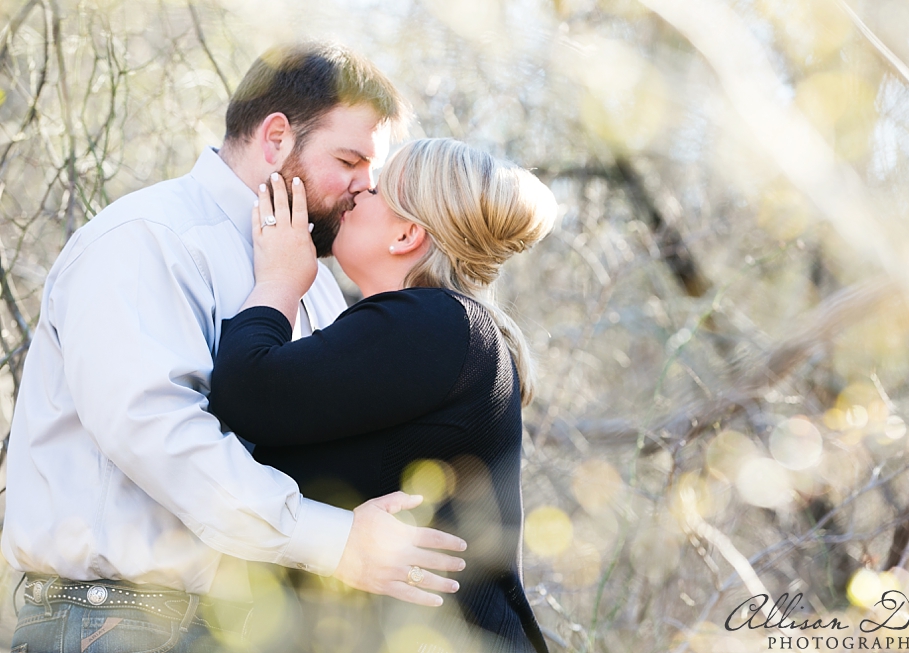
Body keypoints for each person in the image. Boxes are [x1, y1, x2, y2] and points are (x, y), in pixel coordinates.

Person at [1, 43, 467, 653]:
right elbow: (158, 431)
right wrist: (337, 541)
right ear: (276, 138)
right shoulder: (148, 239)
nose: (362, 190)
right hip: (120, 624)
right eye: (349, 160)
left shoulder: (314, 281)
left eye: (371, 175)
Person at [208, 138, 557, 653]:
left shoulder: (433, 324)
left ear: (408, 234)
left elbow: (247, 391)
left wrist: (279, 280)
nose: (356, 195)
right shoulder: (435, 332)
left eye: (376, 190)